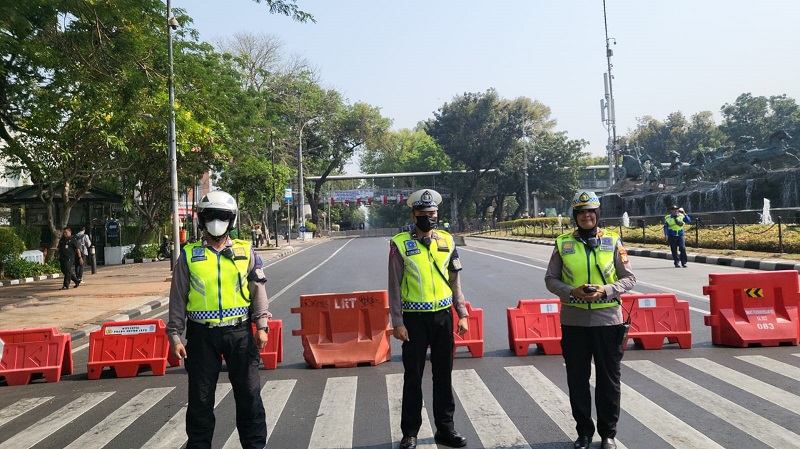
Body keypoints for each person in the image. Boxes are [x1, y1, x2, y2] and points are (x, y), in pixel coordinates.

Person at [166, 190, 269, 449]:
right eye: (210, 216)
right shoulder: (189, 256)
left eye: (221, 216)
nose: (215, 222)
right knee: (200, 400)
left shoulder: (246, 252)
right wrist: (175, 335)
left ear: (231, 220)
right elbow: (177, 297)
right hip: (202, 336)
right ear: (201, 219)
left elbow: (258, 291)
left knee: (249, 396)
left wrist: (262, 326)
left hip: (240, 334)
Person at [544, 191, 637, 449]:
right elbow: (550, 279)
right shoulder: (562, 243)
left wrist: (605, 290)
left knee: (608, 380)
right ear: (575, 216)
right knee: (577, 379)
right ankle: (583, 432)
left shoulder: (613, 241)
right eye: (581, 212)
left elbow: (629, 278)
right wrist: (570, 291)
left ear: (597, 214)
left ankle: (608, 433)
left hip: (608, 322)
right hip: (574, 322)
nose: (586, 215)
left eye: (591, 211)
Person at [388, 188, 469, 449]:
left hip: (443, 316)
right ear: (413, 215)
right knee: (413, 375)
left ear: (437, 215)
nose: (427, 218)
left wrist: (462, 313)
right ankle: (410, 432)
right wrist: (397, 322)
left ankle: (446, 429)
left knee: (443, 374)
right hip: (413, 319)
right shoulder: (400, 243)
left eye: (431, 214)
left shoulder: (447, 241)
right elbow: (394, 286)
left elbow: (455, 281)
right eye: (422, 214)